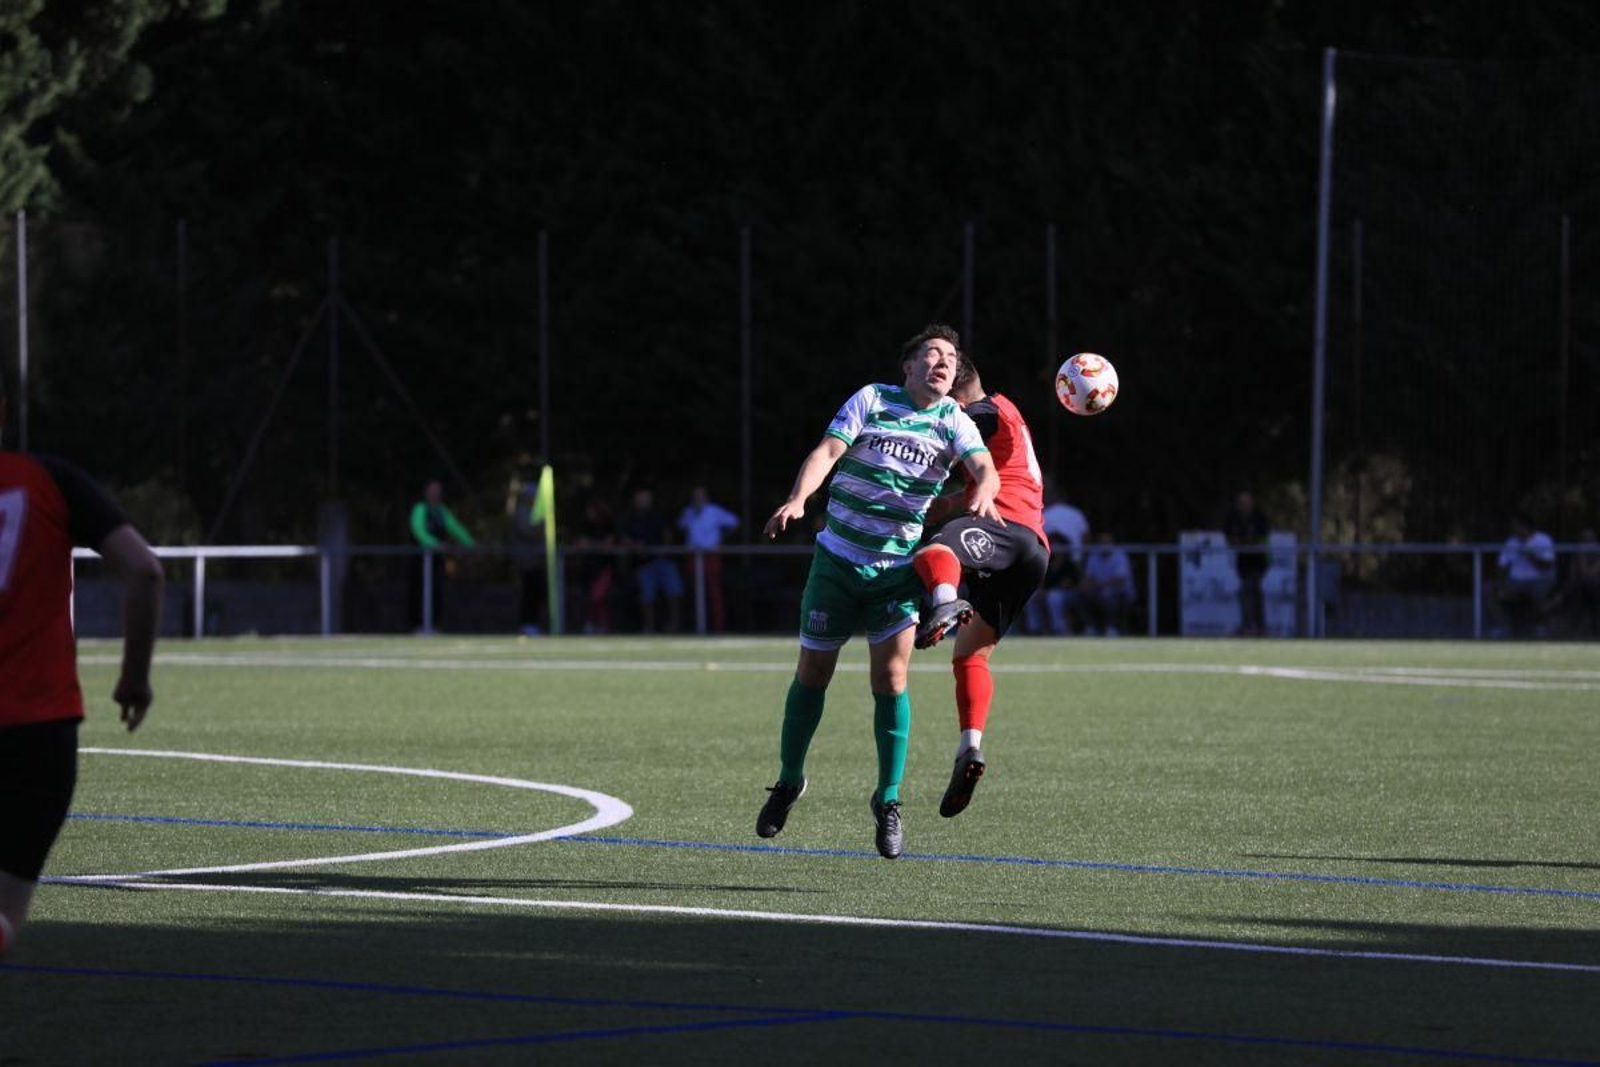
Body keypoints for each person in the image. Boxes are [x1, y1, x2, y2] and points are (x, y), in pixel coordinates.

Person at [755, 324, 1001, 859]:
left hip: (894, 570)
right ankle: (789, 781)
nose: (943, 363)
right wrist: (798, 499)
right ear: (908, 367)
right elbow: (827, 451)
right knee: (812, 674)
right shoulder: (872, 399)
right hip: (838, 561)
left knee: (891, 681)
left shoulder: (954, 419)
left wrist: (983, 487)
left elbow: (984, 466)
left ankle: (888, 801)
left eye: (951, 359)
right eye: (932, 354)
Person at [0, 377, 164, 955]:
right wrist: (134, 677)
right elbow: (144, 571)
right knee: (6, 916)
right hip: (41, 733)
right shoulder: (51, 481)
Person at [906, 353, 1049, 817]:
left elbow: (963, 426)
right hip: (1032, 549)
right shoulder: (1006, 422)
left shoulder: (987, 411)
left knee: (932, 555)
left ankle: (946, 602)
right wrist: (942, 505)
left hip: (1004, 528)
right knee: (970, 654)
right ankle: (970, 746)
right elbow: (979, 481)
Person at [409, 479, 475, 632]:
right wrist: (433, 544)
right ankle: (417, 625)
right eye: (432, 491)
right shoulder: (420, 508)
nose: (435, 494)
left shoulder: (441, 511)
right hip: (420, 559)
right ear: (426, 493)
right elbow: (417, 529)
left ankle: (434, 625)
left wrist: (470, 543)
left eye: (438, 491)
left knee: (437, 590)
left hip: (436, 559)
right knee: (418, 591)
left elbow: (455, 528)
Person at [619, 488, 683, 633]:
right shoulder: (629, 518)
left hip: (662, 560)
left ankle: (675, 625)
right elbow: (624, 538)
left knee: (674, 592)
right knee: (647, 596)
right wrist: (636, 546)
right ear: (635, 501)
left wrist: (663, 549)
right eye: (641, 499)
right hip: (644, 564)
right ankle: (649, 627)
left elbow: (667, 534)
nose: (644, 502)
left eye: (647, 499)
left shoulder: (657, 515)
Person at [677, 486, 740, 632]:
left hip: (711, 556)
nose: (698, 499)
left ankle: (718, 626)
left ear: (706, 497)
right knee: (695, 591)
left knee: (713, 591)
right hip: (693, 556)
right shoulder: (688, 512)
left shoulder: (714, 511)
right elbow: (682, 527)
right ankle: (696, 625)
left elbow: (734, 522)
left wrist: (722, 539)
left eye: (700, 496)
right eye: (695, 496)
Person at [1496, 512, 1556, 638]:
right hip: (1516, 581)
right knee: (1491, 591)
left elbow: (1546, 566)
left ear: (1524, 526)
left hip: (1540, 579)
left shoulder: (1543, 540)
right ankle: (1504, 627)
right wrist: (1500, 584)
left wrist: (1529, 554)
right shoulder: (1511, 542)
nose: (1513, 529)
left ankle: (1542, 627)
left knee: (1538, 593)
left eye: (1516, 526)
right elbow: (1502, 566)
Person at [507, 461, 549, 637]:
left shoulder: (533, 512)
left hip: (535, 560)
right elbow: (529, 531)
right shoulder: (522, 512)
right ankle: (527, 623)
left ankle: (533, 623)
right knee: (529, 592)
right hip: (527, 560)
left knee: (537, 592)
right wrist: (543, 527)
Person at [1221, 490, 1270, 636]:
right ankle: (1261, 627)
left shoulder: (1259, 517)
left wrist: (1244, 541)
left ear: (1252, 503)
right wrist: (1242, 541)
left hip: (1259, 561)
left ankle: (1247, 626)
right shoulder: (1234, 517)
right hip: (1243, 563)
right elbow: (1230, 538)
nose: (1244, 505)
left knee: (1246, 591)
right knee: (1255, 593)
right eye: (1241, 502)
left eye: (1247, 502)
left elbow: (1258, 539)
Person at [1080, 530, 1135, 636]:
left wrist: (1101, 586)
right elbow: (1088, 577)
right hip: (1098, 590)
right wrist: (1085, 585)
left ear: (1112, 543)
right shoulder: (1094, 555)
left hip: (1120, 592)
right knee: (1082, 594)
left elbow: (1120, 579)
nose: (1105, 544)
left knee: (1109, 595)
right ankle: (1090, 627)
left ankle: (1112, 627)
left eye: (1107, 542)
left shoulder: (1120, 555)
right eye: (1102, 542)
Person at [576, 497, 618, 634]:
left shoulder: (608, 525)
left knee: (598, 596)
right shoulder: (585, 525)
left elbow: (608, 545)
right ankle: (593, 623)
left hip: (604, 568)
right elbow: (581, 544)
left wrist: (591, 545)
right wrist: (596, 545)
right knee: (591, 598)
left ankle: (602, 625)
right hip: (588, 568)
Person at [1561, 526, 1600, 638]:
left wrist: (1581, 554)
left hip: (1595, 588)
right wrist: (1581, 553)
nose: (1587, 544)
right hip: (1581, 589)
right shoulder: (1578, 554)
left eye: (1590, 540)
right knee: (1578, 590)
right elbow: (1574, 575)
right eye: (1584, 540)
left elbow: (1589, 572)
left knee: (1584, 587)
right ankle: (1574, 630)